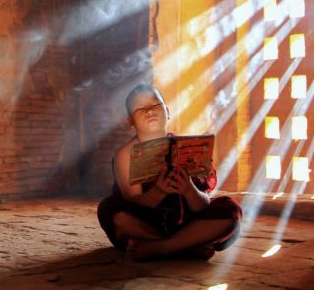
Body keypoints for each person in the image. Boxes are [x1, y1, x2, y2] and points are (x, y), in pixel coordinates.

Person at [97, 84, 242, 260]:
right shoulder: (125, 154)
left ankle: (161, 247)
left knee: (231, 212)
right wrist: (159, 192)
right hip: (147, 222)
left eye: (155, 105)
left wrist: (189, 189)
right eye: (140, 108)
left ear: (167, 110)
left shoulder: (187, 149)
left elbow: (201, 205)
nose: (149, 111)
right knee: (112, 212)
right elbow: (133, 203)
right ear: (131, 121)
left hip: (187, 222)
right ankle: (187, 246)